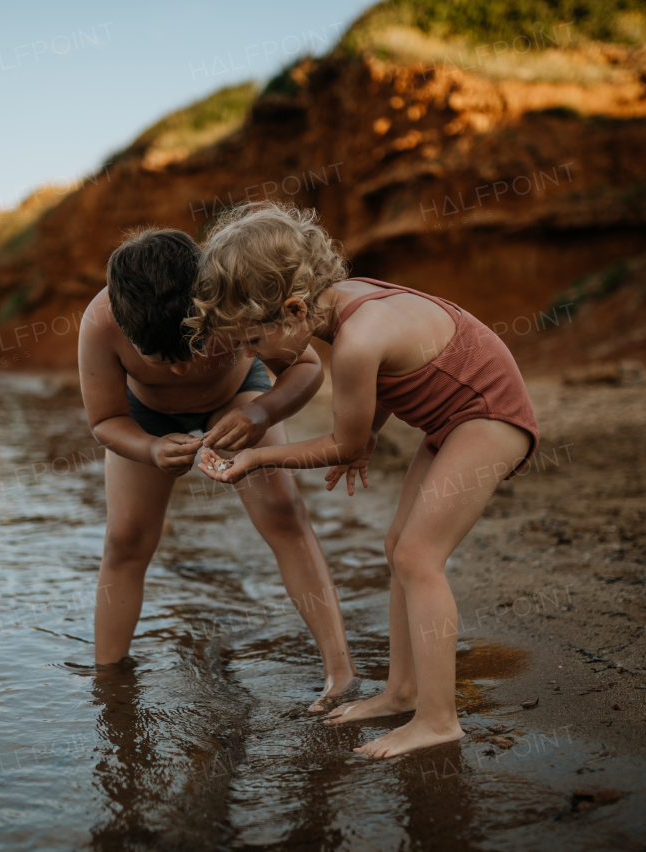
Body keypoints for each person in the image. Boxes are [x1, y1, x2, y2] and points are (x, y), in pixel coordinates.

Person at [188, 202, 539, 758]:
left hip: (488, 417)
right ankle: (402, 692)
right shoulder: (342, 303)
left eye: (252, 342)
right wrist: (368, 436)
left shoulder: (354, 341)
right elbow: (381, 399)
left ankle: (438, 719)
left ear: (294, 308)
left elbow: (343, 443)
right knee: (398, 545)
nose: (249, 355)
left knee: (419, 557)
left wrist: (259, 460)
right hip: (452, 419)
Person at [77, 227, 356, 710]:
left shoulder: (230, 293)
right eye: (159, 358)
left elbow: (307, 368)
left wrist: (261, 414)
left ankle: (340, 672)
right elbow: (104, 421)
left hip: (238, 395)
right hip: (142, 418)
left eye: (195, 344)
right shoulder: (100, 322)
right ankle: (109, 681)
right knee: (125, 540)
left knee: (284, 511)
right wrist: (149, 450)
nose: (181, 369)